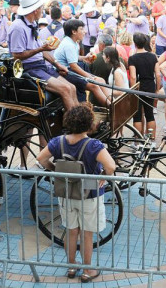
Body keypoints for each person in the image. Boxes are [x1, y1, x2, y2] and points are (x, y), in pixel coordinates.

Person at [36, 105, 116, 283]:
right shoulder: (93, 145)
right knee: (86, 233)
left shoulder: (58, 142)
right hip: (89, 194)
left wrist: (55, 170)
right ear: (89, 124)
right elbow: (111, 167)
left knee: (71, 231)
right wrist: (103, 176)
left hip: (66, 193)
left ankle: (71, 266)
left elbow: (40, 158)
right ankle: (87, 270)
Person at [8, 0, 78, 110]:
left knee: (72, 87)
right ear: (35, 10)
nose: (42, 10)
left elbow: (41, 50)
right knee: (65, 89)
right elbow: (17, 55)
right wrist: (40, 48)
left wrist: (57, 64)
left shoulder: (33, 24)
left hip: (41, 66)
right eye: (41, 8)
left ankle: (82, 121)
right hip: (29, 69)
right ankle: (75, 125)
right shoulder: (18, 27)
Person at [54, 19, 110, 106]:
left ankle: (113, 102)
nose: (85, 32)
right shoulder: (68, 44)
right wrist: (89, 76)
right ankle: (111, 107)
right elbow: (73, 66)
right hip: (65, 72)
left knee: (101, 80)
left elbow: (73, 58)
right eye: (82, 29)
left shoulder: (73, 42)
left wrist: (84, 58)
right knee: (94, 85)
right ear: (74, 31)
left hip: (70, 70)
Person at [128, 33, 160, 139]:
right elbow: (158, 74)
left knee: (137, 116)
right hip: (150, 85)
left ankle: (138, 140)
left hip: (139, 87)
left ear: (135, 43)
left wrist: (133, 91)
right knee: (149, 114)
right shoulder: (153, 56)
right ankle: (151, 139)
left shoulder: (133, 58)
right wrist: (157, 89)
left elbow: (133, 77)